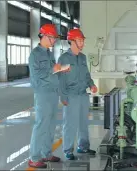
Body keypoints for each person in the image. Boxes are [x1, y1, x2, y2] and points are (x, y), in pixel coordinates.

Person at [28, 23, 70, 168]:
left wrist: (60, 71)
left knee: (51, 125)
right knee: (41, 124)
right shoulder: (35, 54)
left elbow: (53, 73)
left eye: (54, 38)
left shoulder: (49, 53)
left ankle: (46, 154)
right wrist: (53, 69)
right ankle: (34, 157)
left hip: (52, 93)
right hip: (43, 93)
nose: (54, 41)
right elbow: (37, 75)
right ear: (43, 36)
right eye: (51, 38)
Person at [58, 28, 98, 160]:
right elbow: (61, 79)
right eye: (80, 40)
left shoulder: (83, 57)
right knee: (70, 123)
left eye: (82, 40)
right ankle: (68, 150)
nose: (82, 43)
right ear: (72, 41)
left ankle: (83, 146)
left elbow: (86, 75)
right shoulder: (64, 58)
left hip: (83, 94)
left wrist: (91, 84)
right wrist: (63, 96)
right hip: (71, 95)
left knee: (83, 122)